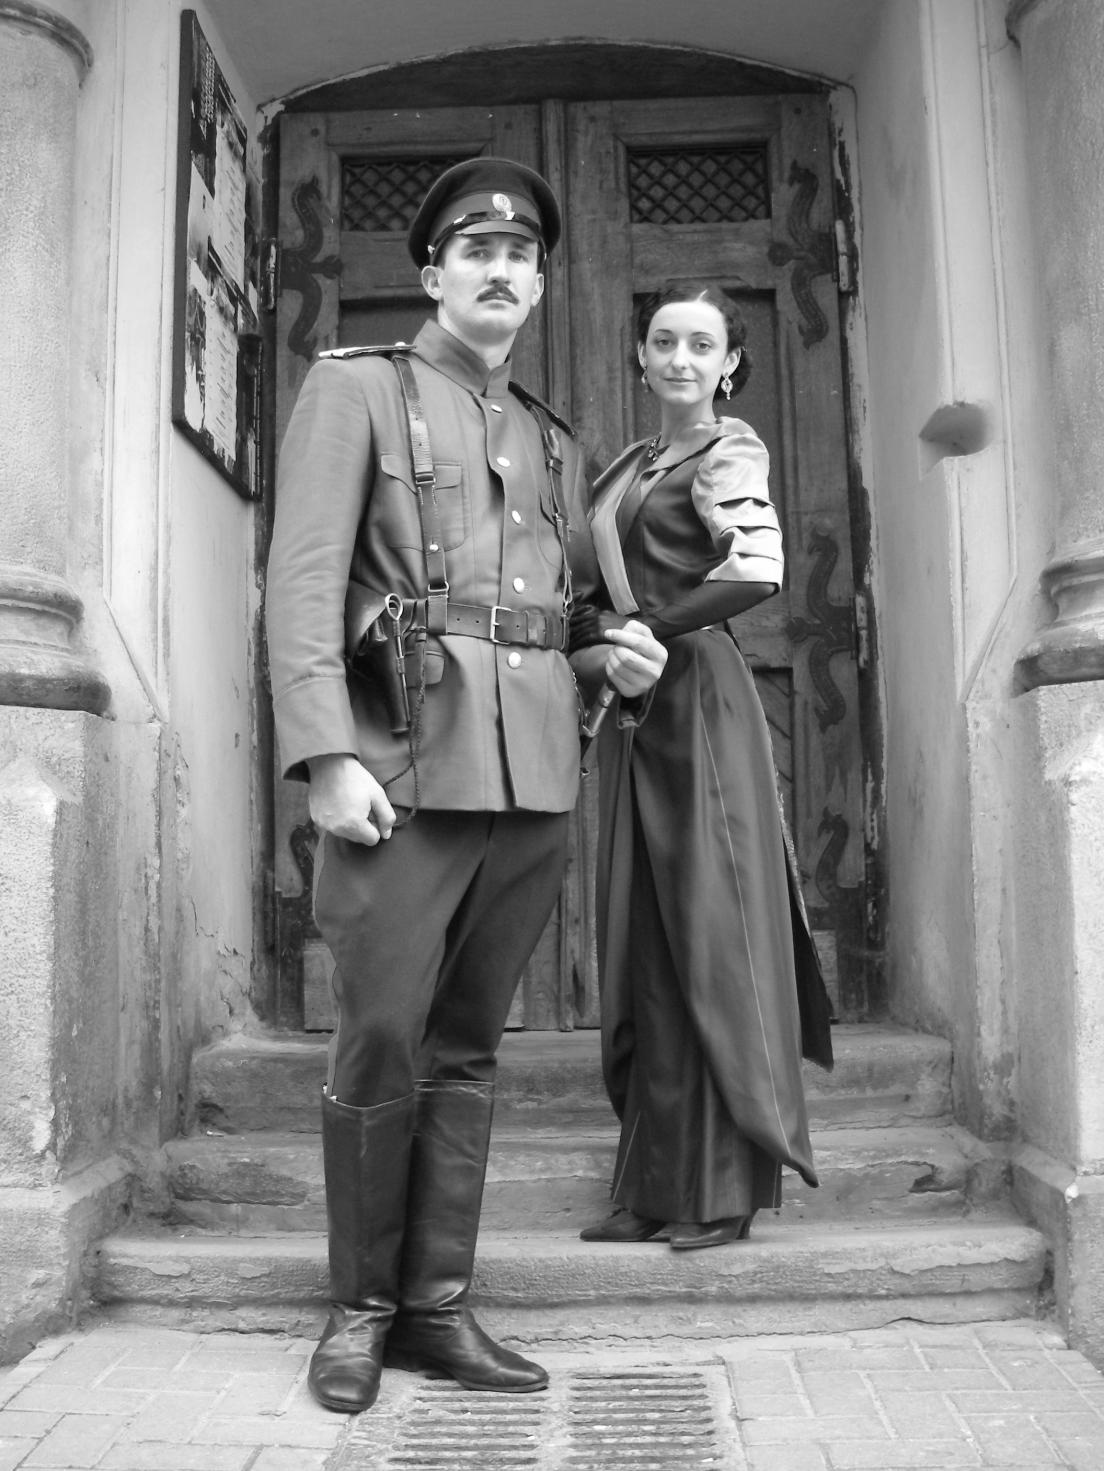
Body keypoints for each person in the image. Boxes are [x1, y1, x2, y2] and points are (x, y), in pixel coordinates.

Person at [264, 158, 667, 1414]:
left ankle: (436, 1307)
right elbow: (303, 583)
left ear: (539, 286)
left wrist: (610, 652)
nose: (502, 271)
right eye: (476, 252)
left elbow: (555, 615)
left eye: (521, 258)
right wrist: (325, 757)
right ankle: (359, 1312)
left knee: (467, 1047)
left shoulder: (552, 438)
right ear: (433, 272)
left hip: (531, 780)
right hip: (396, 767)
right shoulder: (357, 389)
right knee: (382, 1035)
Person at [570, 281, 834, 1253]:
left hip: (702, 704)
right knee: (646, 934)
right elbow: (589, 580)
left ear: (730, 364)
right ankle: (652, 1183)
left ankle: (724, 1188)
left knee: (713, 930)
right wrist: (600, 636)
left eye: (701, 344)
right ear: (640, 356)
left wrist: (648, 625)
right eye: (663, 341)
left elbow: (755, 568)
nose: (680, 358)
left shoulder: (733, 448)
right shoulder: (630, 463)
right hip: (639, 708)